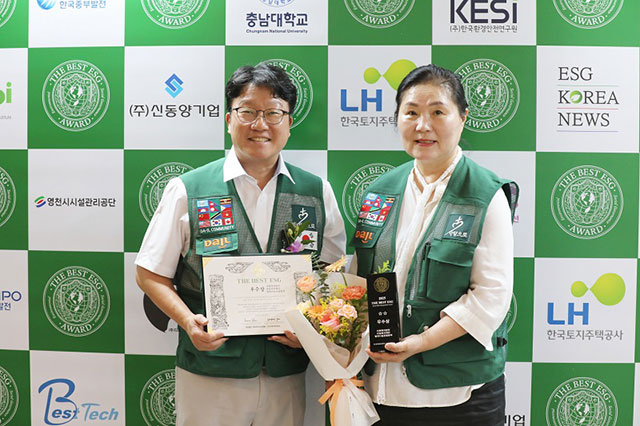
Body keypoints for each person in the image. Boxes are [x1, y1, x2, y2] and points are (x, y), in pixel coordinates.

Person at [135, 63, 346, 426]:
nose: (260, 124)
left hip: (286, 372)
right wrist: (188, 323)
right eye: (248, 112)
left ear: (289, 122)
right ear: (229, 119)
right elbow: (149, 273)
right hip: (210, 372)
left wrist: (313, 328)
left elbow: (334, 273)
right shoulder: (189, 189)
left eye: (273, 113)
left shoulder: (315, 192)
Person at [350, 64, 518, 426]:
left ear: (463, 118)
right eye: (411, 113)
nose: (423, 126)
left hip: (459, 394)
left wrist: (419, 343)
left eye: (438, 112)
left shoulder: (485, 194)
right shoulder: (380, 192)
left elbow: (490, 298)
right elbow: (358, 282)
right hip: (381, 389)